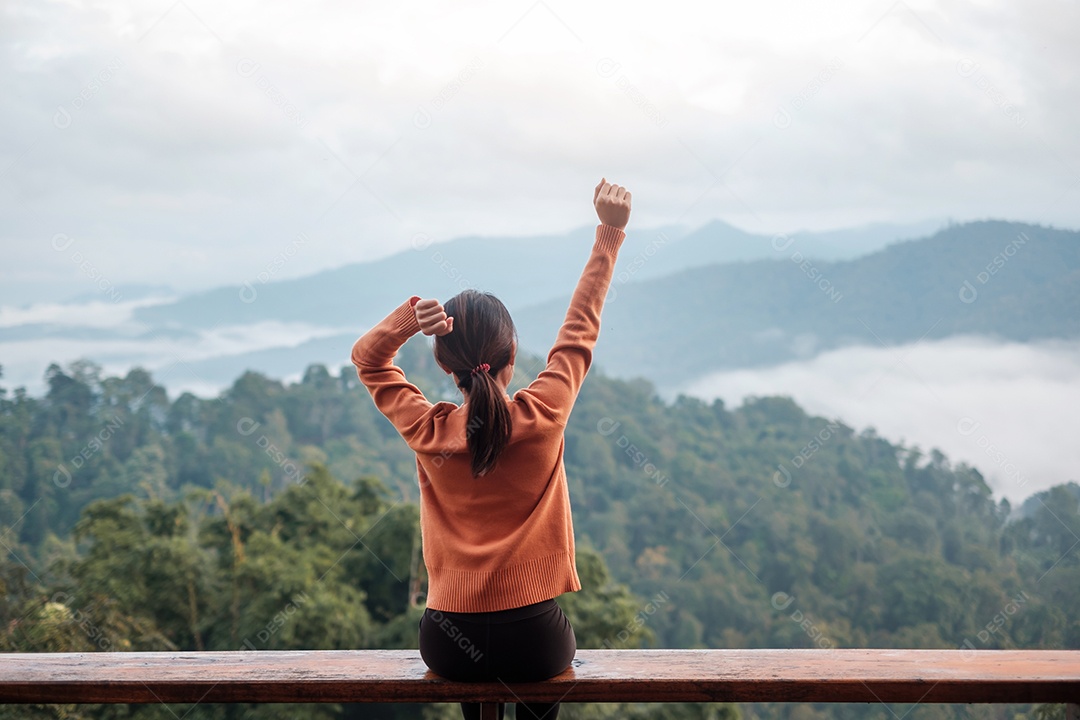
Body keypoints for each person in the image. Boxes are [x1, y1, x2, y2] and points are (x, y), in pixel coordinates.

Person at [351, 178, 632, 720]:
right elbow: (580, 328)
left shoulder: (428, 430)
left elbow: (368, 360)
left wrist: (410, 319)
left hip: (448, 638)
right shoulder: (544, 412)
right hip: (534, 636)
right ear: (513, 354)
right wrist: (610, 234)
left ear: (442, 365)